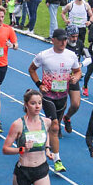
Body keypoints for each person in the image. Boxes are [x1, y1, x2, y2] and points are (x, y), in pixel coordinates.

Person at [28, 28, 81, 173]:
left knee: (53, 126)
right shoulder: (44, 55)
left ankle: (44, 142)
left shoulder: (71, 55)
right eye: (61, 40)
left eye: (65, 39)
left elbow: (77, 71)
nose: (64, 42)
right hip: (48, 96)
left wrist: (75, 78)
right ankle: (57, 160)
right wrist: (39, 84)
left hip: (62, 96)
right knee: (56, 126)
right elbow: (31, 69)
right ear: (53, 40)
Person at [62, 24, 90, 134]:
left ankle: (67, 117)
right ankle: (56, 126)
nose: (75, 39)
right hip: (61, 78)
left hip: (74, 77)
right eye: (72, 36)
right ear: (67, 36)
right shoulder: (62, 45)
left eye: (76, 36)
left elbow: (89, 58)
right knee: (62, 105)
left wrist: (81, 65)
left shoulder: (79, 44)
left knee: (75, 104)